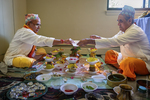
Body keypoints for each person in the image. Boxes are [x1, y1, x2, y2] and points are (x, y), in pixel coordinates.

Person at [77, 5, 150, 81]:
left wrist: (89, 41)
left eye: (121, 21)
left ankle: (126, 72)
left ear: (129, 20)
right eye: (118, 21)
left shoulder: (135, 31)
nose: (118, 24)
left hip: (142, 62)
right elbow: (113, 39)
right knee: (109, 54)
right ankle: (123, 68)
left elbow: (115, 42)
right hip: (126, 57)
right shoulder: (123, 30)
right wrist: (99, 38)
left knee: (127, 62)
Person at [4, 13, 71, 68]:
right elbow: (40, 40)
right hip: (14, 58)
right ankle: (32, 62)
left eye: (39, 25)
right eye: (37, 25)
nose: (39, 27)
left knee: (42, 52)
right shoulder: (24, 32)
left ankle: (34, 59)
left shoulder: (29, 31)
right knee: (30, 62)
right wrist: (63, 41)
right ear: (28, 24)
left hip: (25, 55)